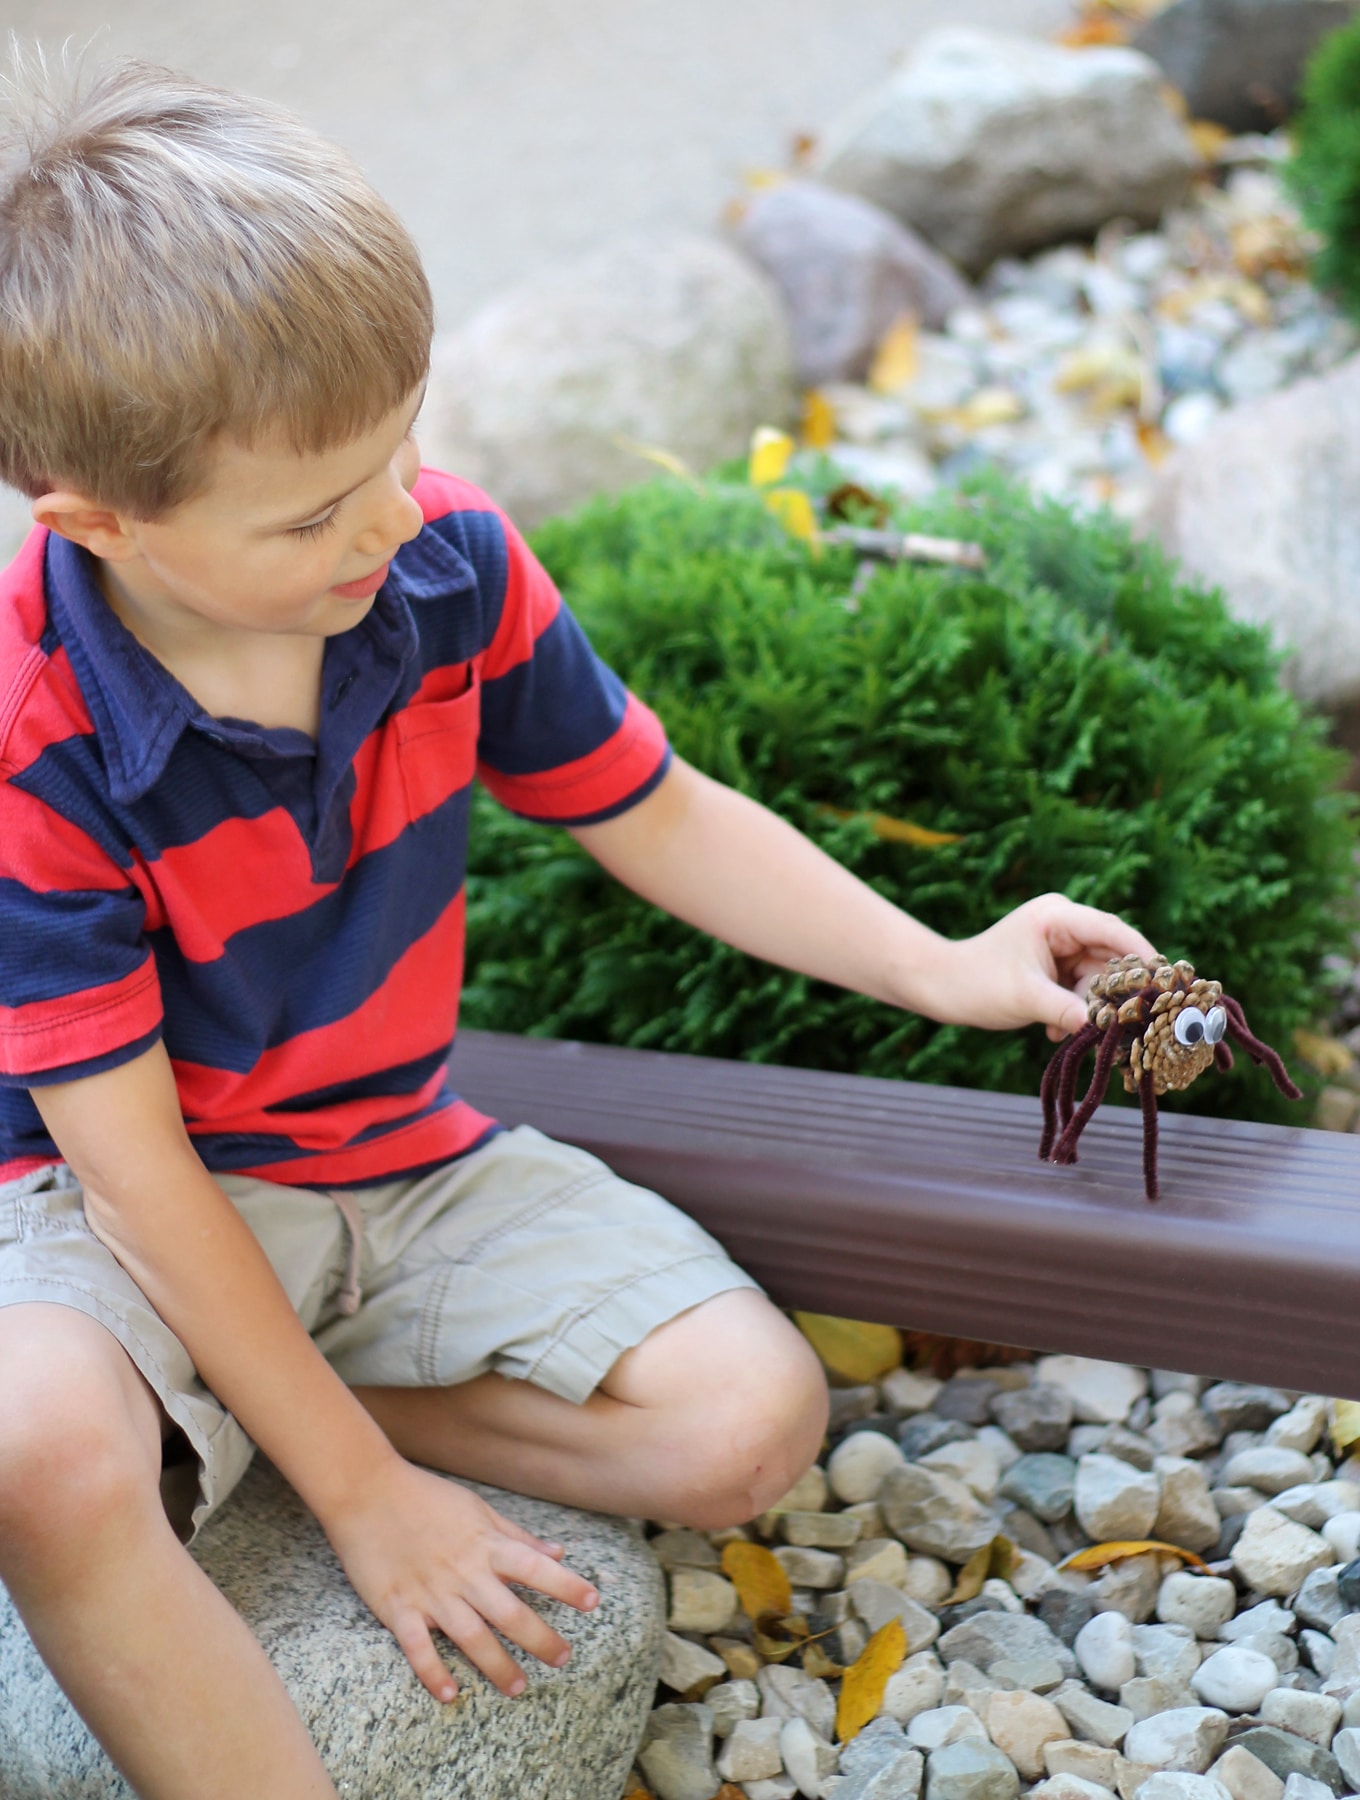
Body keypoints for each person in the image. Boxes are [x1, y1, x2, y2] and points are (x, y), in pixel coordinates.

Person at [0, 55, 1157, 1800]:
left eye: (398, 451)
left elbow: (659, 810)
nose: (390, 520)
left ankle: (261, 1406)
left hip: (392, 1163)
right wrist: (367, 1507)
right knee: (42, 1454)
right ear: (99, 525)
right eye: (318, 509)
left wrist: (946, 962)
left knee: (748, 1421)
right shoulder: (32, 737)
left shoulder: (440, 563)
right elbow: (142, 1180)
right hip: (118, 1197)